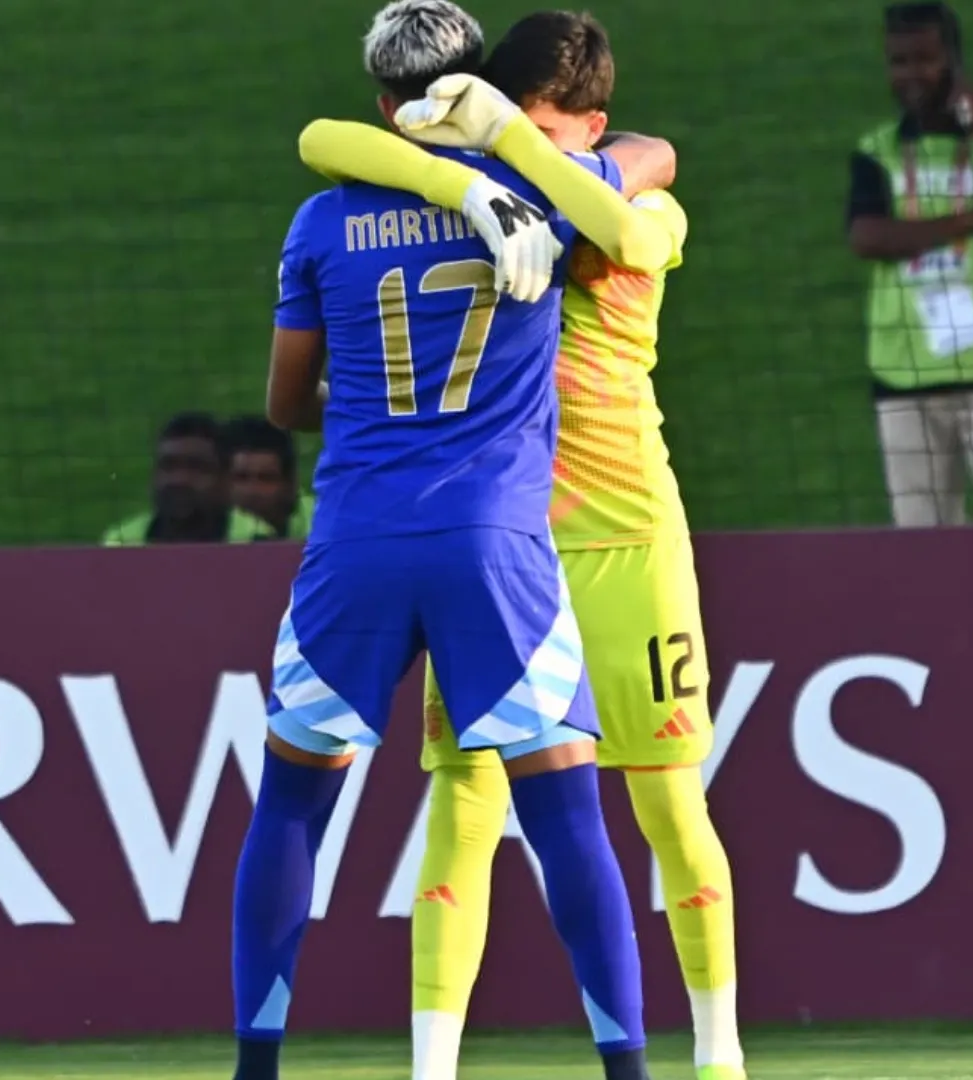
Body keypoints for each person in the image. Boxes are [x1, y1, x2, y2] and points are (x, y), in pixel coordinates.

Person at [297, 13, 744, 1080]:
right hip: (508, 555)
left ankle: (721, 1059)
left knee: (672, 806)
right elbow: (325, 141)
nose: (505, 148)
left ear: (588, 127)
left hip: (634, 542)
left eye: (534, 130)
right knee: (463, 801)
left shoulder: (641, 208)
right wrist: (479, 176)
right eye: (497, 125)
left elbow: (628, 228)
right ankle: (431, 1069)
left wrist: (524, 152)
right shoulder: (471, 208)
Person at [229, 4, 650, 1080]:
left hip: (358, 543)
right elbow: (647, 157)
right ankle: (629, 1071)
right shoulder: (545, 206)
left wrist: (374, 400)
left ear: (381, 104)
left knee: (290, 805)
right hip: (496, 549)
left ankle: (258, 1066)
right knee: (569, 823)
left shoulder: (320, 223)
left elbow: (283, 405)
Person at [846, 1, 973, 527]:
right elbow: (867, 236)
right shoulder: (878, 150)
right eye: (898, 61)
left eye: (925, 59)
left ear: (953, 60)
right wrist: (969, 221)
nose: (910, 74)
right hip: (902, 372)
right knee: (921, 541)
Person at [101, 412, 276, 544]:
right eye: (168, 466)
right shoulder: (123, 541)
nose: (179, 480)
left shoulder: (256, 541)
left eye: (196, 467)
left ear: (225, 479)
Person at [222, 415, 316, 540]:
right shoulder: (204, 526)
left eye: (266, 478)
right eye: (241, 478)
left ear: (290, 483)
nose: (252, 491)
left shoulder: (323, 520)